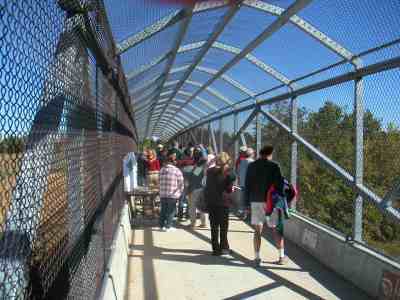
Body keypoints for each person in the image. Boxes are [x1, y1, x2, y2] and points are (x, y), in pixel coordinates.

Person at [245, 145, 285, 266]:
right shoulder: (274, 166)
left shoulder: (252, 166)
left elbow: (247, 186)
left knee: (258, 230)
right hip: (271, 202)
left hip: (256, 201)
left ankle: (257, 258)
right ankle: (281, 257)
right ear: (270, 154)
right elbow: (280, 186)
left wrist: (246, 204)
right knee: (276, 230)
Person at [205, 152, 236, 256]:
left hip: (211, 202)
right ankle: (224, 248)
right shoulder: (229, 173)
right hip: (223, 203)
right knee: (223, 227)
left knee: (214, 226)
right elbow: (228, 189)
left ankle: (215, 249)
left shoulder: (209, 171)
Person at [159, 150, 184, 231]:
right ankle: (168, 226)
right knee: (171, 211)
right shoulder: (177, 170)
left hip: (163, 194)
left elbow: (159, 180)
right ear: (173, 162)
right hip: (172, 194)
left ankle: (161, 225)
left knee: (163, 210)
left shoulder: (162, 170)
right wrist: (179, 192)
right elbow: (181, 183)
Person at [187, 150, 207, 228]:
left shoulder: (197, 167)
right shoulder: (204, 166)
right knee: (201, 206)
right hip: (202, 189)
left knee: (192, 207)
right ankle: (203, 222)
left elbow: (193, 179)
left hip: (194, 189)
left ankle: (193, 223)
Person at [237, 148, 255, 216]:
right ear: (251, 154)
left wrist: (239, 180)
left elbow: (238, 171)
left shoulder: (241, 161)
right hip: (250, 184)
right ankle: (247, 213)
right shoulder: (252, 162)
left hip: (242, 182)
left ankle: (242, 211)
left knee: (243, 197)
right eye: (253, 153)